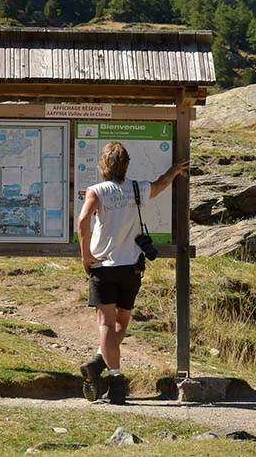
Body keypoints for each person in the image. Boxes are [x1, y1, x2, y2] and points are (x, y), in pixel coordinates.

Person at [77, 141, 188, 405]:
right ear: (126, 165)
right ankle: (98, 362)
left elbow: (82, 221)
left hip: (103, 267)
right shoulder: (137, 188)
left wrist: (86, 256)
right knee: (121, 323)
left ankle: (112, 376)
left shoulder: (96, 191)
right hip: (131, 268)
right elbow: (160, 184)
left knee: (105, 323)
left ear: (103, 165)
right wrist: (174, 170)